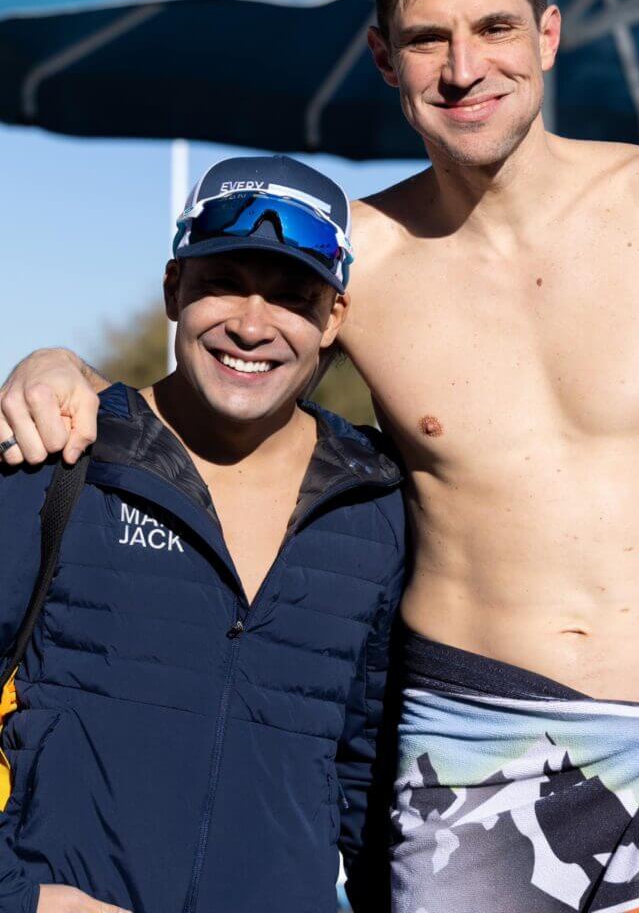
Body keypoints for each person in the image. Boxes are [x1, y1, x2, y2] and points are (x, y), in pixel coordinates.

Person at [3, 0, 639, 910]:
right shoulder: (357, 257)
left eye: (494, 27)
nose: (463, 68)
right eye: (426, 39)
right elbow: (219, 370)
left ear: (547, 34)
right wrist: (56, 368)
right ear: (382, 56)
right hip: (491, 743)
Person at [0, 155, 406, 913]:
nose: (252, 325)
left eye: (292, 296)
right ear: (173, 289)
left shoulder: (374, 502)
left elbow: (368, 776)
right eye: (223, 282)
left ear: (333, 318)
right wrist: (20, 897)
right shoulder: (61, 458)